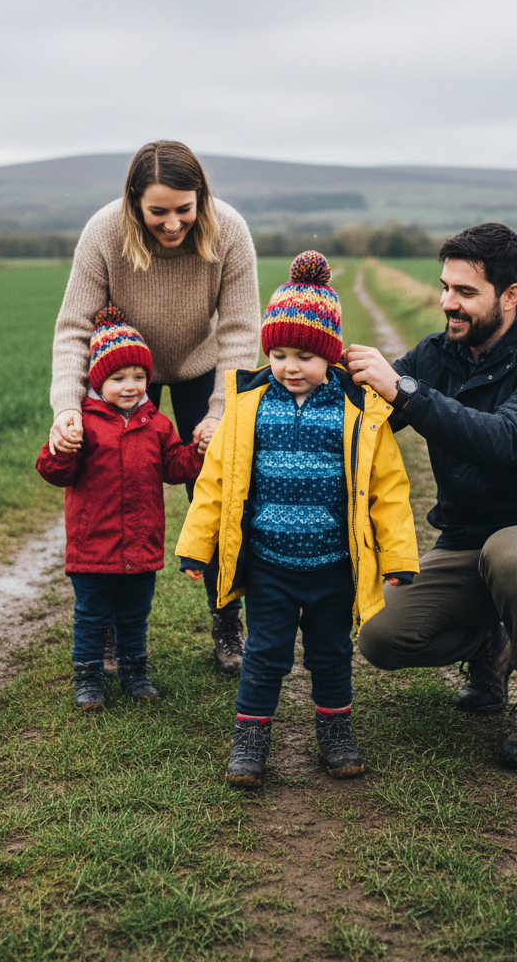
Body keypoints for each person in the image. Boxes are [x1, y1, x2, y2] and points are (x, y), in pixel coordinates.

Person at [343, 223, 517, 770]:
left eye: (465, 293)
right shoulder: (440, 354)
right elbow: (361, 421)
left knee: (511, 554)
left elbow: (503, 440)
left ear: (511, 296)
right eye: (445, 287)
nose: (447, 304)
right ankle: (490, 645)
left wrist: (404, 389)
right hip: (467, 543)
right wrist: (293, 384)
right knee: (381, 637)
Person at [176, 252, 420, 788]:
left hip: (335, 566)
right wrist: (197, 548)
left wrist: (398, 558)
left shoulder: (358, 411)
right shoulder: (249, 406)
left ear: (329, 355)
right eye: (281, 353)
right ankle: (250, 740)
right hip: (270, 568)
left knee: (331, 655)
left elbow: (387, 490)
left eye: (305, 355)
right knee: (264, 656)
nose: (290, 366)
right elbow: (216, 483)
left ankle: (336, 733)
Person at [48, 140, 260, 675]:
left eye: (184, 210)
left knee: (214, 497)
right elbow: (75, 328)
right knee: (111, 490)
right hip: (120, 374)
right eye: (158, 211)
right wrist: (68, 408)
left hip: (200, 369)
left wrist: (220, 412)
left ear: (201, 198)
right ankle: (116, 634)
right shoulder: (104, 232)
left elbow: (239, 333)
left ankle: (226, 620)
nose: (171, 224)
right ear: (134, 202)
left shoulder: (229, 230)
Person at [36, 307, 204, 710]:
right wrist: (61, 449)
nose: (130, 386)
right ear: (98, 380)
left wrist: (197, 453)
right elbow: (53, 471)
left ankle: (135, 673)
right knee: (91, 616)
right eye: (118, 378)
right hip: (93, 545)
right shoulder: (82, 424)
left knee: (134, 615)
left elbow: (174, 467)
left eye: (139, 377)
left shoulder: (156, 424)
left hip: (141, 545)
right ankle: (88, 677)